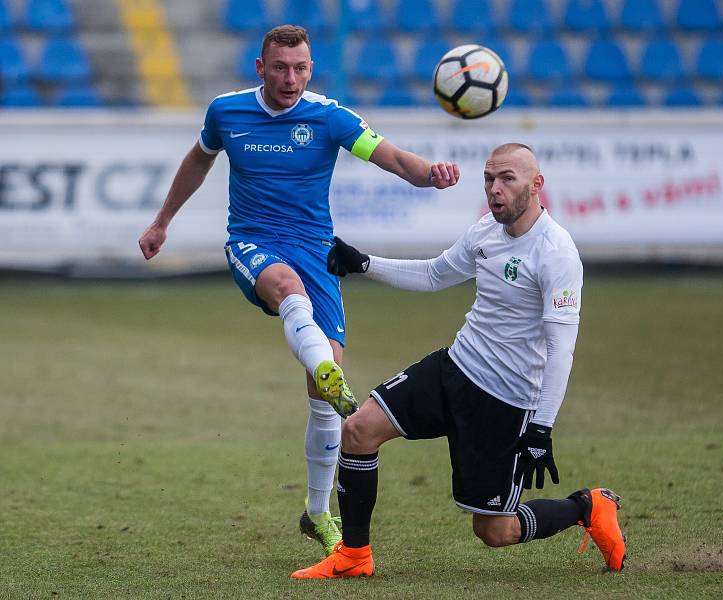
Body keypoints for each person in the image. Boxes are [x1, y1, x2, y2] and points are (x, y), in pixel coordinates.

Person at [137, 24, 459, 557]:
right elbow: (199, 158)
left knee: (322, 401)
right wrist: (162, 221)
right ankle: (329, 373)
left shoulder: (328, 117)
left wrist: (433, 174)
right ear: (260, 68)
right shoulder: (227, 112)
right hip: (253, 242)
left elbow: (393, 158)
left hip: (317, 251)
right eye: (281, 67)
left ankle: (316, 511)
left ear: (311, 69)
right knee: (288, 291)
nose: (292, 78)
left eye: (301, 68)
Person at [291, 143, 625, 579]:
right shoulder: (484, 231)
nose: (495, 189)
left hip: (505, 399)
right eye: (489, 179)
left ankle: (587, 506)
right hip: (456, 368)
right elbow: (434, 275)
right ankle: (354, 556)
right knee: (358, 430)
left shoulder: (557, 252)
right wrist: (364, 263)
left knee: (494, 531)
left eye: (507, 178)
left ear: (536, 185)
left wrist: (542, 427)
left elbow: (562, 347)